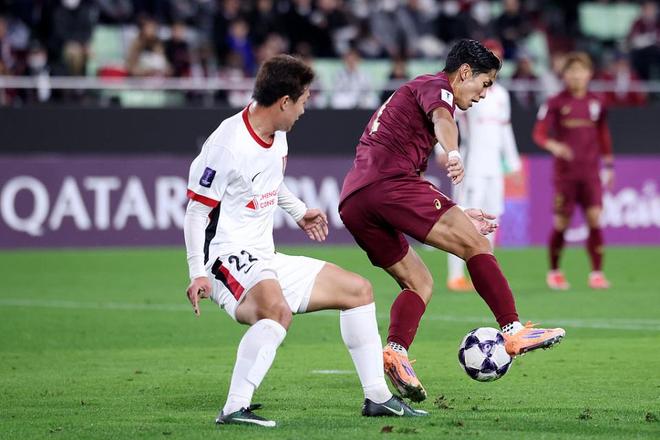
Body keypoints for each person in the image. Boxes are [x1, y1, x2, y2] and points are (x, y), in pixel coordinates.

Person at [184, 54, 426, 428]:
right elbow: (196, 212)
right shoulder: (227, 144)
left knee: (358, 291)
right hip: (223, 258)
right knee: (276, 311)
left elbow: (268, 181)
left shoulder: (277, 136)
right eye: (303, 101)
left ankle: (378, 398)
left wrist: (298, 211)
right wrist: (197, 272)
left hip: (263, 256)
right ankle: (234, 407)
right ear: (284, 102)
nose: (303, 110)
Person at [338, 39, 565, 403]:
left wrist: (454, 210)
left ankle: (395, 352)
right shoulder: (436, 87)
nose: (484, 94)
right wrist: (454, 152)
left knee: (419, 282)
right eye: (484, 84)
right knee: (476, 244)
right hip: (389, 185)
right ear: (464, 73)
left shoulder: (412, 96)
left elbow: (408, 172)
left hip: (355, 199)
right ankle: (513, 330)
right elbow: (443, 120)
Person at [437, 39, 522, 292]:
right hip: (471, 166)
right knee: (461, 218)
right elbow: (446, 116)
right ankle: (455, 275)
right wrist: (442, 149)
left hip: (494, 168)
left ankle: (485, 273)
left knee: (491, 219)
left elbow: (505, 131)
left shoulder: (502, 95)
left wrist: (513, 164)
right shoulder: (469, 89)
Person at [532, 52, 614, 291]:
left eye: (581, 70)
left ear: (589, 74)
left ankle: (596, 273)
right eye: (572, 71)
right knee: (562, 223)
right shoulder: (555, 102)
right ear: (564, 75)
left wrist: (609, 164)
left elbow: (603, 134)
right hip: (565, 175)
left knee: (594, 218)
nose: (576, 75)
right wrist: (554, 145)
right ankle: (555, 271)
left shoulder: (597, 102)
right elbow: (539, 133)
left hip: (591, 173)